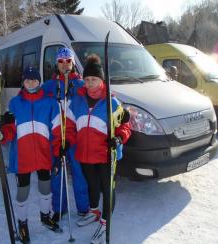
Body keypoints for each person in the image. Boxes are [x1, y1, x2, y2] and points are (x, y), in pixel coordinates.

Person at [67, 54, 131, 244]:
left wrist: (119, 138)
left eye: (94, 79)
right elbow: (70, 125)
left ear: (102, 80)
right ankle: (94, 211)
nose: (90, 83)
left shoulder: (112, 102)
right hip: (85, 153)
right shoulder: (77, 101)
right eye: (87, 80)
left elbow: (125, 126)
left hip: (105, 154)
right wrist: (67, 142)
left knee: (107, 188)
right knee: (91, 185)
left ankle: (105, 222)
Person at [1, 66, 61, 243]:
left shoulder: (50, 103)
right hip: (22, 155)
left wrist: (58, 151)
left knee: (45, 188)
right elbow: (10, 131)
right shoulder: (15, 103)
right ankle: (22, 223)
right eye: (27, 80)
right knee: (23, 190)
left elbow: (57, 130)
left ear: (39, 81)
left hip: (44, 153)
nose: (30, 83)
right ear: (23, 82)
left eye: (34, 79)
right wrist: (4, 132)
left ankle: (45, 216)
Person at [42, 47, 89, 221]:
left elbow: (98, 98)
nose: (64, 64)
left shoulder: (81, 85)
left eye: (68, 61)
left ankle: (83, 208)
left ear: (73, 63)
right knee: (56, 173)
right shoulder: (48, 86)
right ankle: (59, 208)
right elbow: (30, 97)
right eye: (61, 61)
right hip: (55, 138)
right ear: (56, 63)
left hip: (75, 138)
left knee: (79, 172)